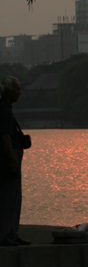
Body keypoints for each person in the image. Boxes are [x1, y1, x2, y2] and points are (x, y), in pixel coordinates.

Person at [0, 77, 31, 247]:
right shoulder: (4, 110)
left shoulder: (6, 109)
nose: (20, 92)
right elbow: (4, 137)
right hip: (7, 160)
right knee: (8, 198)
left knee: (13, 199)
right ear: (9, 91)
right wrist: (12, 161)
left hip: (9, 158)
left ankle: (11, 233)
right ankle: (5, 235)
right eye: (17, 89)